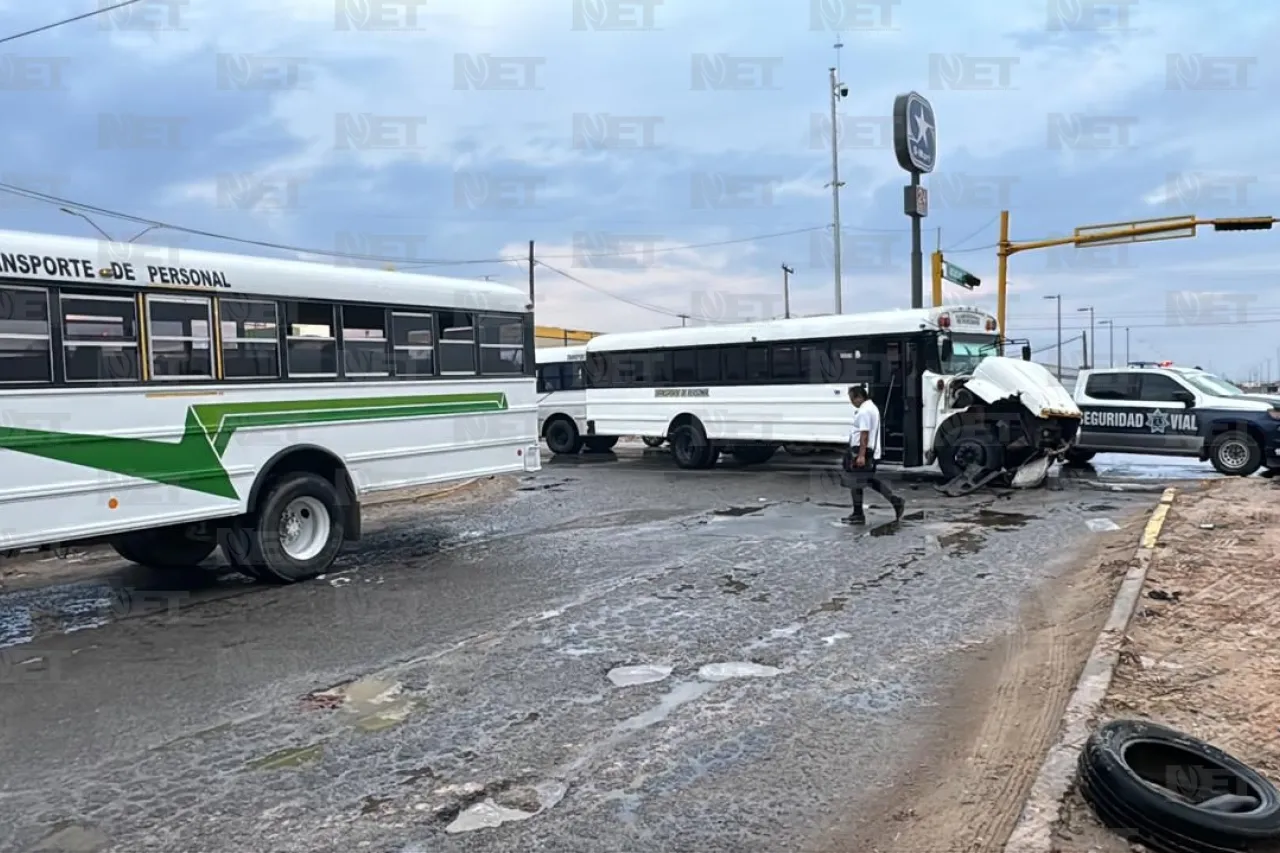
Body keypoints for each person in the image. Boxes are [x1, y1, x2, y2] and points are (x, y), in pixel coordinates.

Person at [841, 385, 905, 524]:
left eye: (852, 399)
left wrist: (861, 455)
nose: (851, 402)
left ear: (859, 397)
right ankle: (894, 501)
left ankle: (859, 514)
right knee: (868, 480)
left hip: (861, 450)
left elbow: (865, 433)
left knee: (856, 482)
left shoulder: (864, 411)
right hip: (866, 450)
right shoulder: (871, 408)